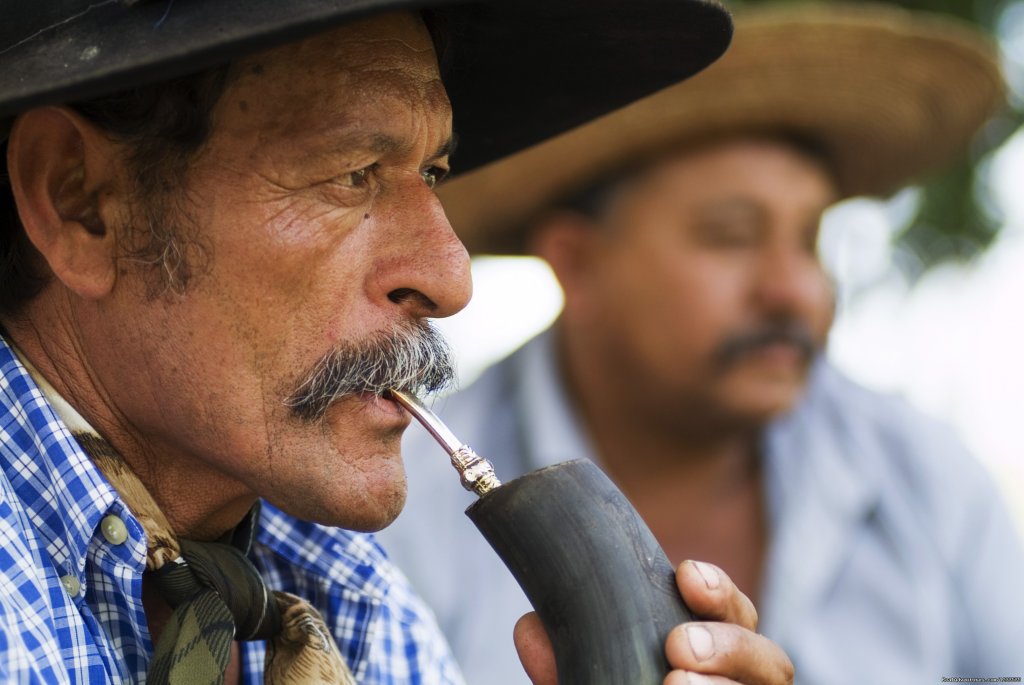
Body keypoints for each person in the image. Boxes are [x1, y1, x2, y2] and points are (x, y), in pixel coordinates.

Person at [0, 1, 798, 683]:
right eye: (353, 173)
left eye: (435, 173)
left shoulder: (339, 590)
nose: (451, 277)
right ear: (82, 204)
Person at [379, 4, 1024, 684]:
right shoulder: (407, 508)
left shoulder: (925, 479)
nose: (793, 289)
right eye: (732, 235)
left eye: (809, 240)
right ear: (578, 261)